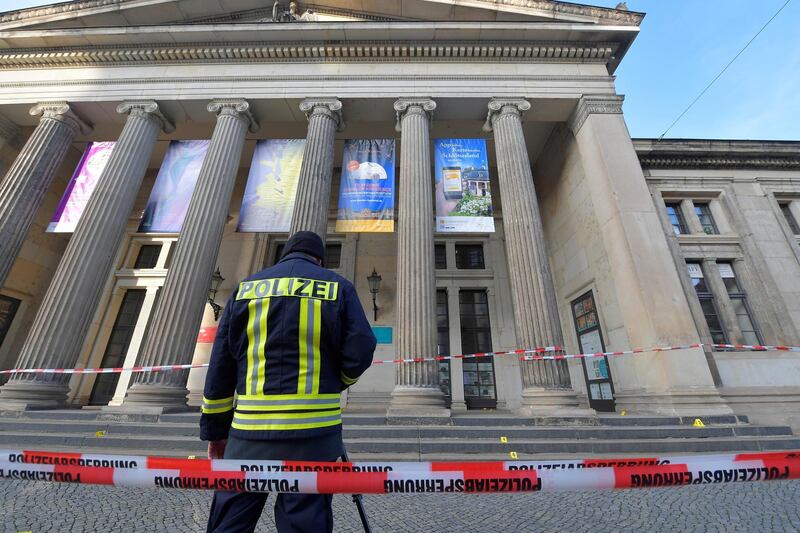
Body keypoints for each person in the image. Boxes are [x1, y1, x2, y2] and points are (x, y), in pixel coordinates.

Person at [201, 231, 377, 533]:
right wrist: (337, 382)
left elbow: (220, 367)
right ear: (319, 259)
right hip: (313, 433)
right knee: (305, 521)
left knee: (231, 520)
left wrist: (216, 431)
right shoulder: (338, 287)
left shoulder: (245, 289)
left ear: (284, 255)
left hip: (249, 433)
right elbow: (362, 347)